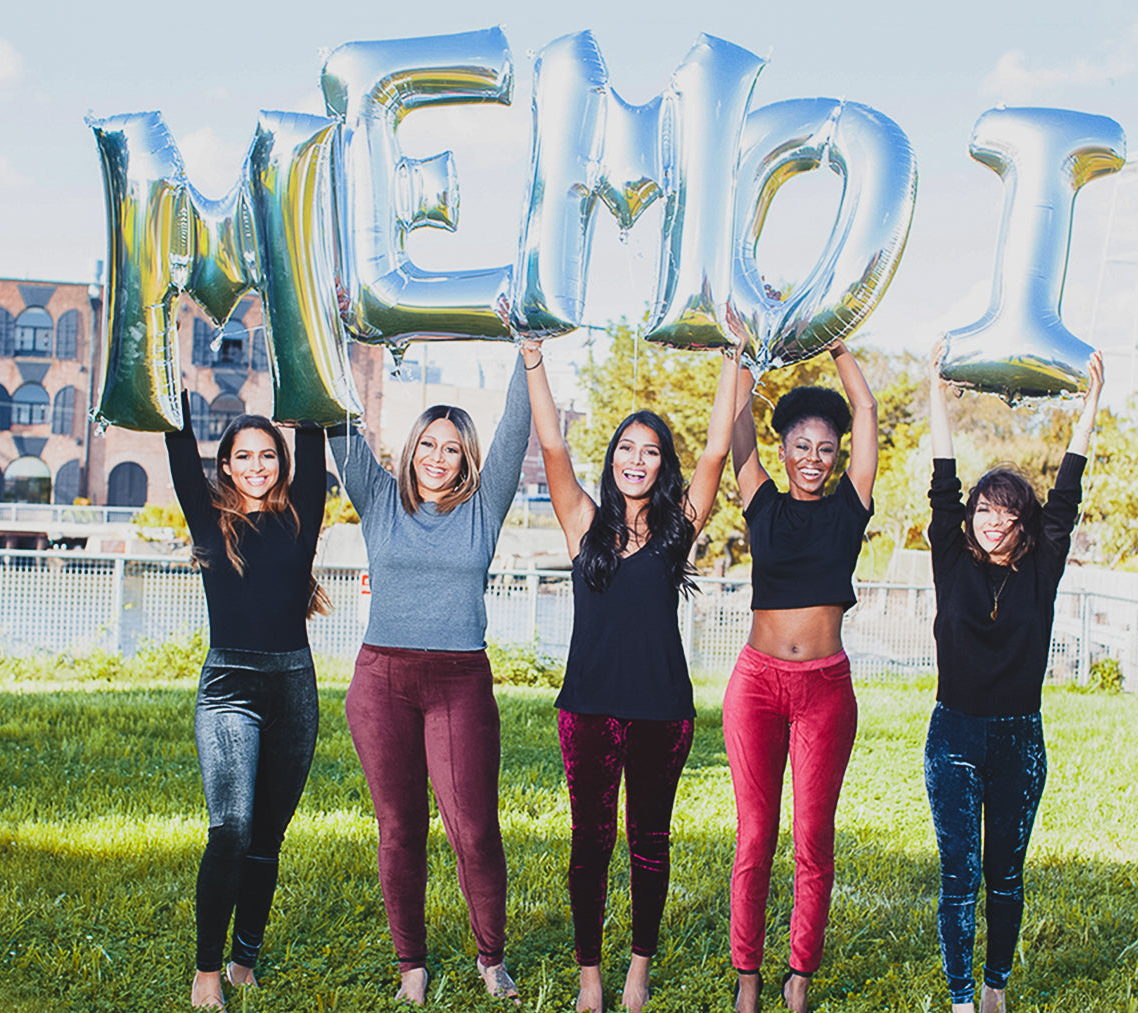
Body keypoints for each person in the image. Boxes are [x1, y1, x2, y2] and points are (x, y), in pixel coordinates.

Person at [522, 340, 740, 1013]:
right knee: (589, 845)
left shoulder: (678, 532)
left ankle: (638, 968)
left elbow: (715, 450)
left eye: (649, 451)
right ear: (612, 457)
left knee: (649, 843)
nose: (636, 460)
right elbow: (552, 445)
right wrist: (533, 358)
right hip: (587, 709)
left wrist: (733, 358)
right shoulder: (582, 523)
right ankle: (590, 977)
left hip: (661, 712)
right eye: (626, 448)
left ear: (662, 465)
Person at [328, 357, 532, 1004]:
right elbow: (337, 421)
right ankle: (410, 964)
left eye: (451, 448)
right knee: (400, 827)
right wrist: (332, 331)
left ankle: (491, 958)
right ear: (411, 447)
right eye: (427, 444)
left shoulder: (484, 506)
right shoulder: (378, 498)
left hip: (458, 681)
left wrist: (527, 350)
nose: (437, 457)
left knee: (473, 827)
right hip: (382, 681)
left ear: (466, 457)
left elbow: (515, 428)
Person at [922, 344, 1104, 1013]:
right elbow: (943, 476)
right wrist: (936, 390)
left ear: (1024, 522)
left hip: (1020, 743)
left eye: (1008, 512)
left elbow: (1067, 493)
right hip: (954, 738)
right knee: (959, 878)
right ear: (969, 515)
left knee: (1004, 876)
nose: (994, 521)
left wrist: (1090, 404)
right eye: (984, 510)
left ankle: (995, 989)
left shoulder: (1041, 567)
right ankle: (961, 1000)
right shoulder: (950, 556)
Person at [724, 339, 878, 1013]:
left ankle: (799, 977)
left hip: (825, 690)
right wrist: (745, 356)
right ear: (782, 451)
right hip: (756, 685)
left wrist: (835, 341)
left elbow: (865, 409)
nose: (813, 459)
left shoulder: (850, 506)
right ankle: (748, 976)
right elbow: (734, 421)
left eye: (825, 449)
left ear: (838, 458)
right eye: (801, 446)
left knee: (814, 838)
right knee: (755, 835)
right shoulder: (760, 500)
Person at [165, 398, 328, 1009]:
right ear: (226, 466)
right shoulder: (209, 519)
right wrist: (166, 366)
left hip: (293, 688)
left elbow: (312, 423)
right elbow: (178, 443)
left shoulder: (301, 513)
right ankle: (207, 969)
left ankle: (243, 962)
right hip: (229, 688)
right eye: (243, 457)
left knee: (266, 838)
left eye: (267, 456)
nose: (257, 466)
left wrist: (307, 347)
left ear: (281, 463)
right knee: (230, 828)